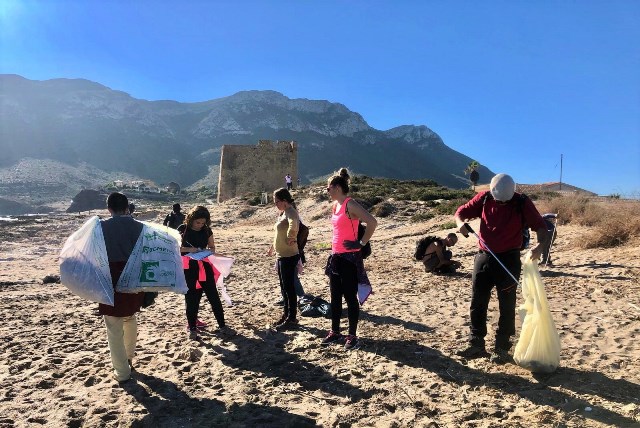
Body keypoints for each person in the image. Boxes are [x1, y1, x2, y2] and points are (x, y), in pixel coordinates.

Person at [454, 173, 549, 364]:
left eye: (505, 202)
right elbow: (460, 213)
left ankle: (502, 347)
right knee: (478, 300)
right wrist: (460, 224)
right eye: (499, 201)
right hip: (484, 257)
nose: (502, 204)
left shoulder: (522, 202)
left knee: (507, 304)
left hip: (509, 259)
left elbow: (541, 227)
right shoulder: (484, 198)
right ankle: (476, 343)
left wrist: (540, 246)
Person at [322, 168, 377, 350]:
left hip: (349, 258)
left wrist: (360, 243)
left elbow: (372, 222)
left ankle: (352, 335)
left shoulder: (349, 204)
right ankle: (335, 331)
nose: (327, 191)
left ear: (337, 187)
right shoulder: (336, 205)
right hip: (336, 256)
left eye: (328, 188)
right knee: (335, 297)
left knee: (350, 298)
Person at [98, 192, 144, 383]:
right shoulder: (140, 226)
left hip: (111, 276)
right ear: (127, 208)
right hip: (134, 275)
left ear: (109, 209)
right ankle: (129, 359)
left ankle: (122, 373)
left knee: (113, 324)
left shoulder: (101, 227)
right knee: (130, 317)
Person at [178, 206, 227, 339]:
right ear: (191, 219)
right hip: (188, 268)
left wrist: (207, 251)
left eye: (203, 223)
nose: (200, 225)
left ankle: (222, 326)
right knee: (192, 298)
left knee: (213, 297)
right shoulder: (183, 229)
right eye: (197, 222)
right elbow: (176, 248)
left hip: (204, 266)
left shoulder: (207, 230)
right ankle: (192, 328)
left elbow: (212, 247)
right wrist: (190, 249)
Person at [267, 188, 301, 330]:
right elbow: (277, 234)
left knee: (289, 288)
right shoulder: (283, 213)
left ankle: (292, 317)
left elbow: (294, 225)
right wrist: (272, 247)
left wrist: (291, 236)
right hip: (281, 255)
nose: (275, 204)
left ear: (284, 201)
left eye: (277, 201)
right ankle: (286, 314)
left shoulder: (291, 212)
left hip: (289, 256)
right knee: (284, 287)